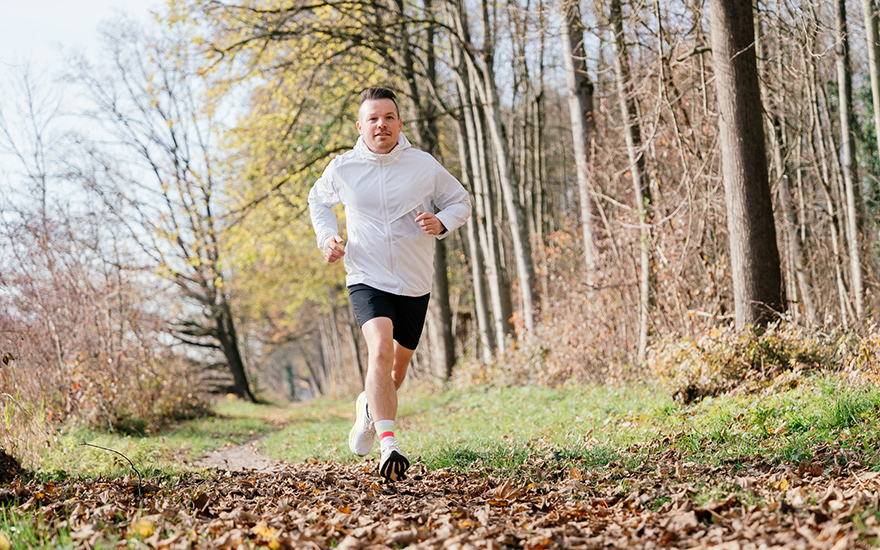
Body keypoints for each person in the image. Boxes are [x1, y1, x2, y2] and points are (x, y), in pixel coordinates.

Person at [308, 87, 471, 482]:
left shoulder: (423, 165)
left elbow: (460, 200)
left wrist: (442, 221)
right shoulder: (343, 168)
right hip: (367, 276)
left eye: (389, 117)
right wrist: (327, 238)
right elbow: (318, 201)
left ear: (399, 123)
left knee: (395, 373)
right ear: (360, 126)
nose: (382, 124)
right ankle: (389, 444)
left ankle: (369, 408)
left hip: (415, 282)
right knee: (379, 349)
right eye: (374, 118)